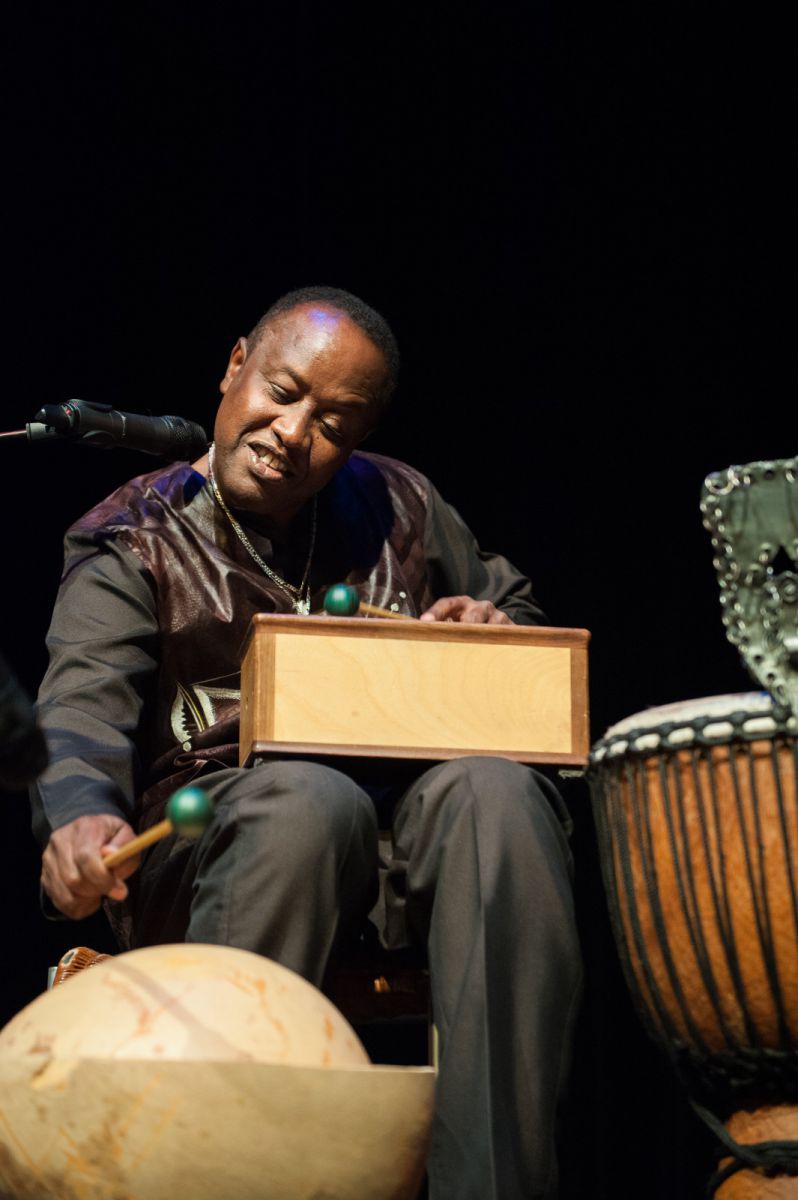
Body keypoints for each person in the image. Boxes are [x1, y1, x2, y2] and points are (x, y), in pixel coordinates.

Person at [32, 286, 582, 1200]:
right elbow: (79, 712)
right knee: (305, 799)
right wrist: (81, 822)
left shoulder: (401, 503)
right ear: (235, 363)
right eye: (283, 391)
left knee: (498, 795)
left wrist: (487, 619)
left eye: (333, 422)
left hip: (402, 855)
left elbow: (519, 611)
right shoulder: (134, 537)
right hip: (219, 862)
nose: (294, 431)